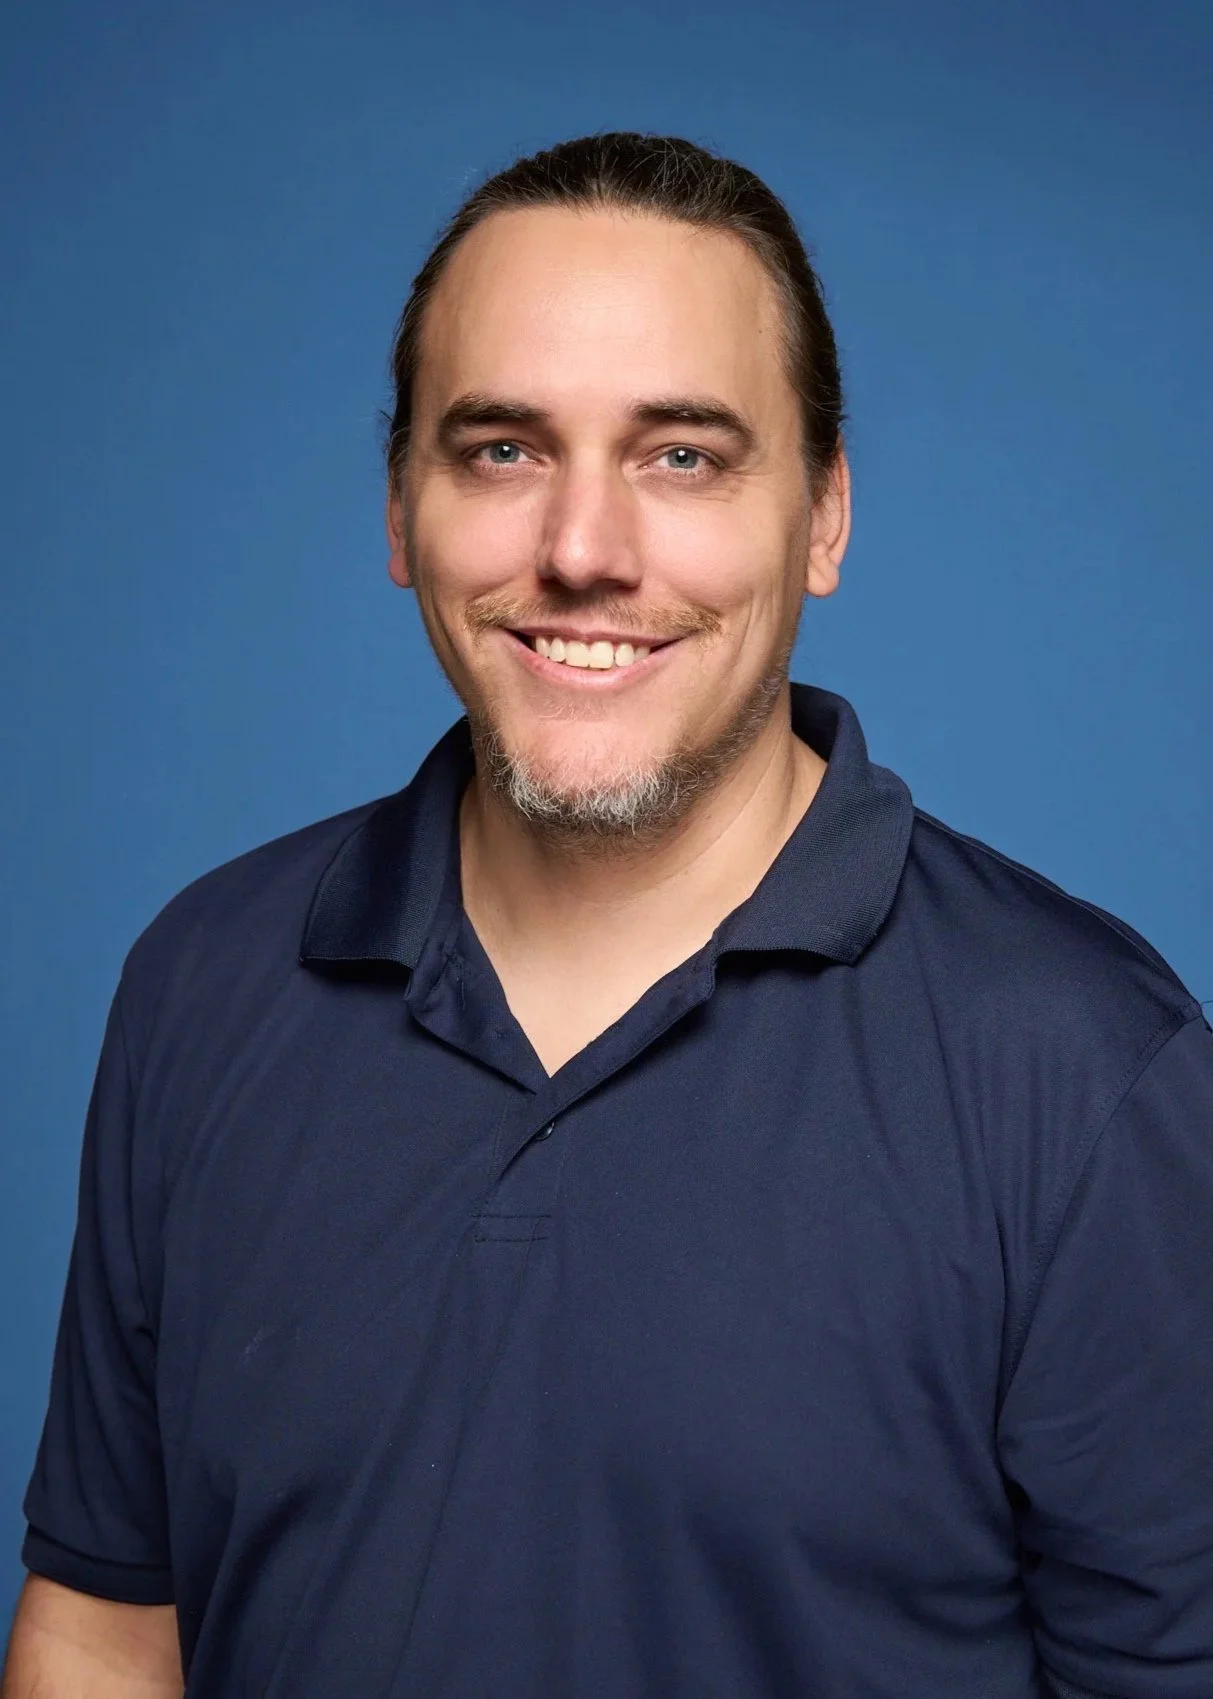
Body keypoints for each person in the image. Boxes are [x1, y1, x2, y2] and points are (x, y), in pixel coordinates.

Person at [4, 131, 1212, 1699]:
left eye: (683, 455)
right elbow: (106, 1629)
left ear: (825, 518)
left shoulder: (1086, 1071)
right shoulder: (202, 984)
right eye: (502, 448)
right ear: (399, 508)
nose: (581, 550)